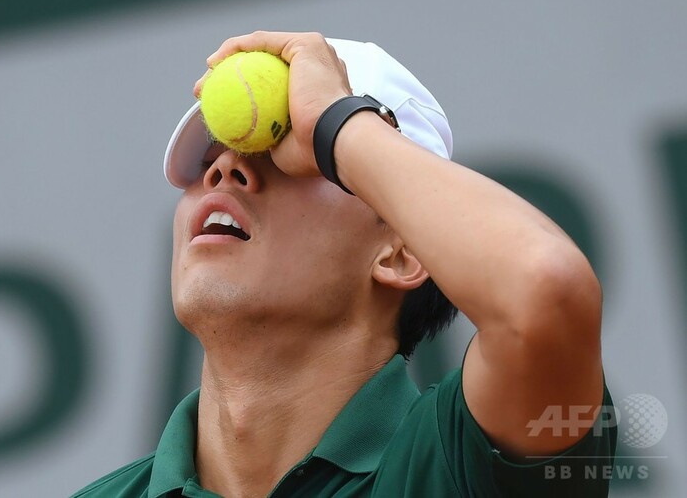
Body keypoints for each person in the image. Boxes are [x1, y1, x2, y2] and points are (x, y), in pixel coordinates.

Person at [72, 31, 616, 497]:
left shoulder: (458, 462)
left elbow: (546, 287)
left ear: (402, 251)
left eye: (292, 154)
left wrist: (336, 124)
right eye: (212, 155)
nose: (225, 170)